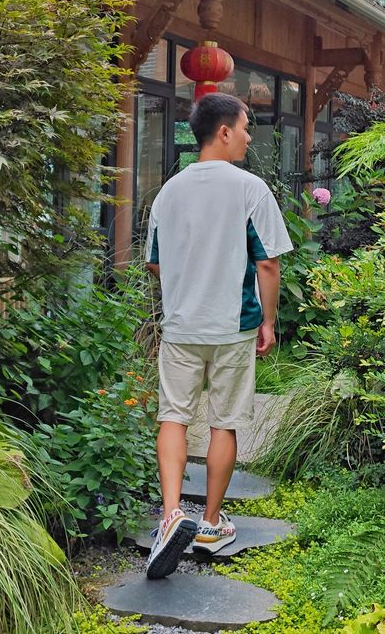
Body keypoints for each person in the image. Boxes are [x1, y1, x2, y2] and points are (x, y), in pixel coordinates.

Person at [144, 92, 293, 580]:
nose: (249, 136)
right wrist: (268, 322)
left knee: (173, 416)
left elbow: (155, 262)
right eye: (246, 127)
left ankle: (169, 518)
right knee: (223, 423)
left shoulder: (168, 192)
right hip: (233, 325)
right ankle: (209, 523)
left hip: (182, 325)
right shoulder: (250, 189)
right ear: (224, 131)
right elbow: (267, 262)